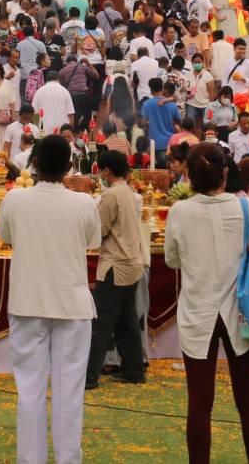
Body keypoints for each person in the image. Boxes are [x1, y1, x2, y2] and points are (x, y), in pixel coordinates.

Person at [0, 134, 102, 464]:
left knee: (29, 390)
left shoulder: (15, 200)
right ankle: (69, 459)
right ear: (70, 167)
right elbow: (91, 240)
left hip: (29, 301)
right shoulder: (84, 203)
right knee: (69, 391)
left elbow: (5, 236)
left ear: (35, 164)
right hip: (71, 304)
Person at [165, 143, 249, 464]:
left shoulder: (179, 211)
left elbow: (171, 259)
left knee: (199, 402)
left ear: (189, 177)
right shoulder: (246, 207)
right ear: (225, 172)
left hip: (198, 311)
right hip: (241, 309)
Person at [86, 149, 146, 389]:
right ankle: (134, 370)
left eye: (101, 169)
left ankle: (88, 377)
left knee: (101, 323)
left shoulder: (111, 195)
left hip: (115, 265)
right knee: (126, 320)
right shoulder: (129, 193)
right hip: (132, 263)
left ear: (107, 171)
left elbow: (99, 229)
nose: (101, 174)